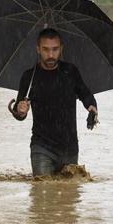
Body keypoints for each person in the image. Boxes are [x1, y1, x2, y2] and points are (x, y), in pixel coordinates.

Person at [11, 28, 98, 177]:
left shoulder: (70, 72)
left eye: (55, 49)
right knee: (42, 192)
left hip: (69, 149)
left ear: (61, 48)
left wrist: (92, 109)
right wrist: (20, 110)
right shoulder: (29, 77)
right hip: (41, 147)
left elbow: (86, 95)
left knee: (68, 197)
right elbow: (19, 112)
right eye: (45, 49)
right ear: (38, 49)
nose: (50, 55)